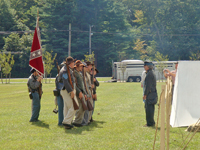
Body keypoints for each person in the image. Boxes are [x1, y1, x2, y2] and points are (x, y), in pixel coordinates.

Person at [58, 56, 76, 129]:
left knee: (66, 108)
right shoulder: (65, 70)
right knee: (73, 107)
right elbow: (65, 82)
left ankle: (67, 124)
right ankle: (66, 121)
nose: (74, 64)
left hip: (66, 90)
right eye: (73, 62)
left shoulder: (67, 69)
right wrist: (71, 91)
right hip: (66, 90)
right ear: (70, 63)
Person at [72, 60, 88, 127]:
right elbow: (75, 85)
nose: (82, 68)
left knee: (82, 108)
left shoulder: (78, 73)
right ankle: (76, 122)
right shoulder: (74, 73)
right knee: (80, 108)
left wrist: (84, 93)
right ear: (77, 66)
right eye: (81, 66)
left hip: (82, 92)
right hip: (79, 93)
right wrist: (79, 92)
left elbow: (82, 85)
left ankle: (79, 121)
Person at [143, 61, 157, 127]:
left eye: (145, 65)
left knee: (149, 109)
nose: (144, 67)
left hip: (150, 94)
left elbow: (148, 86)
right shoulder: (151, 73)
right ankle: (151, 122)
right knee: (150, 108)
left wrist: (145, 94)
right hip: (152, 93)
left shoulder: (149, 74)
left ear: (148, 66)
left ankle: (150, 123)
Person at [54, 62, 65, 126]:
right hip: (60, 94)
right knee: (61, 108)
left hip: (61, 93)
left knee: (64, 108)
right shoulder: (59, 76)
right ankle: (60, 122)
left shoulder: (60, 75)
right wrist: (62, 94)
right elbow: (59, 86)